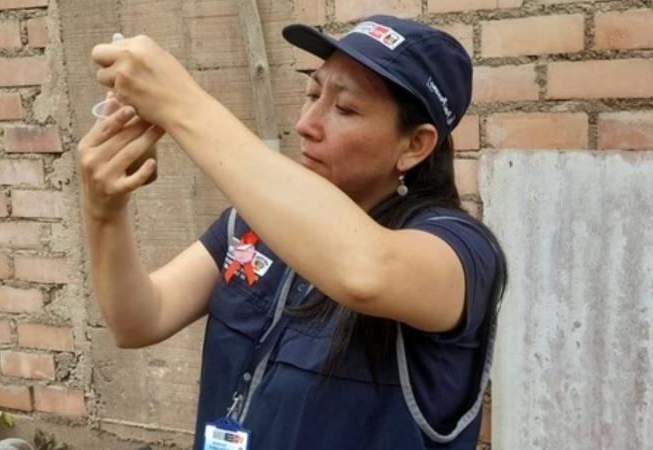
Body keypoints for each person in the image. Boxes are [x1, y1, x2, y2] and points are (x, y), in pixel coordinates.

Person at [78, 14, 507, 450]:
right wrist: (104, 208)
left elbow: (365, 272)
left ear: (414, 145)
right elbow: (139, 319)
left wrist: (180, 104)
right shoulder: (252, 226)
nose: (306, 124)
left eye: (344, 108)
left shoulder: (461, 253)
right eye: (312, 93)